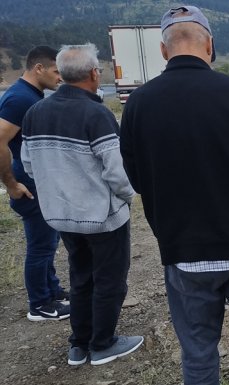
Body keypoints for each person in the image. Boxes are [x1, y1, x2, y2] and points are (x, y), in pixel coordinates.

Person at [120, 6, 229, 385]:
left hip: (184, 250)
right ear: (210, 45)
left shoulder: (138, 104)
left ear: (164, 51)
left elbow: (137, 180)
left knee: (198, 352)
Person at [20, 43, 143, 366]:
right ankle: (103, 343)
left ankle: (78, 344)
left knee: (80, 275)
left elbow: (30, 165)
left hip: (62, 217)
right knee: (110, 280)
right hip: (102, 217)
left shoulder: (35, 113)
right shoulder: (96, 114)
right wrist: (127, 197)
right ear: (92, 74)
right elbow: (117, 172)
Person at [0, 46, 70, 322]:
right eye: (56, 71)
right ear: (38, 68)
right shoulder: (19, 98)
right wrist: (12, 184)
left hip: (40, 184)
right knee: (40, 246)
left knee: (49, 241)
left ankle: (52, 291)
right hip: (28, 186)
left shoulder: (31, 95)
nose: (60, 77)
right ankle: (39, 304)